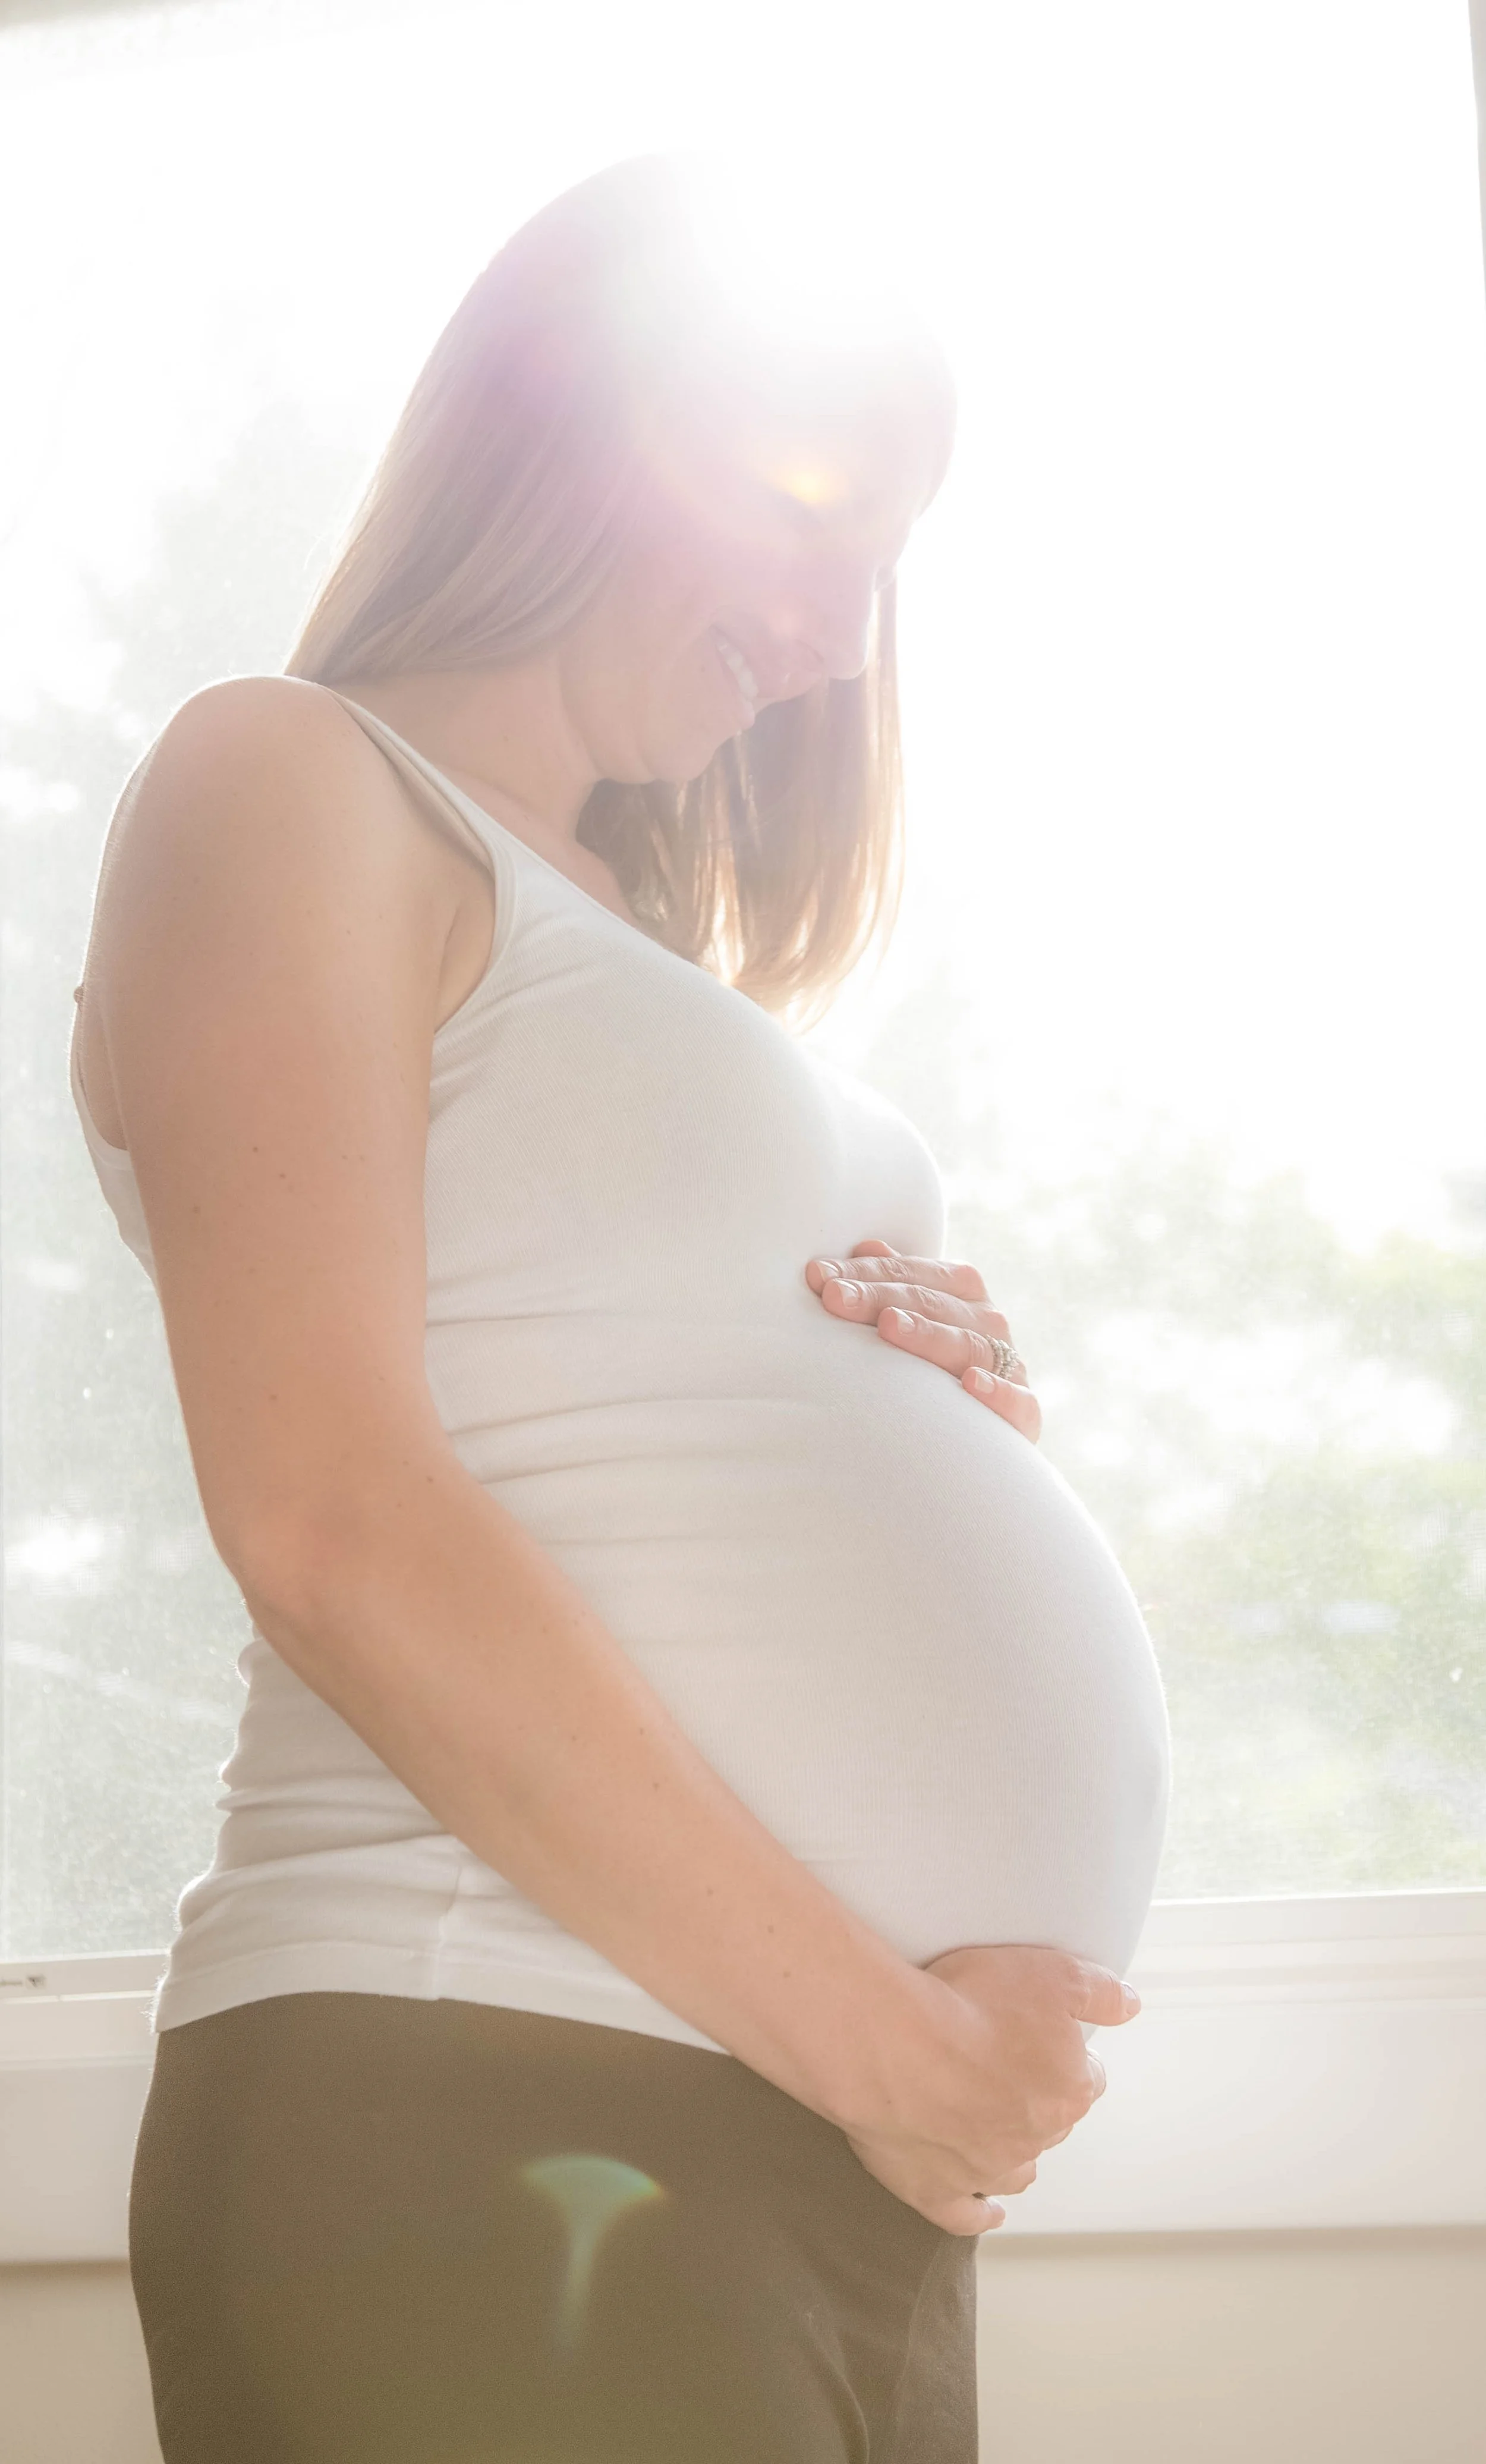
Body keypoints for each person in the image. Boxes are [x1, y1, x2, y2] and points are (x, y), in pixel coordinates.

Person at [69, 154, 1170, 2463]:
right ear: (591, 426)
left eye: (885, 566)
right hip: (493, 2084)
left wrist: (941, 1439)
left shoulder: (641, 964)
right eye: (816, 520)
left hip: (795, 2143)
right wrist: (896, 2048)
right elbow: (328, 1512)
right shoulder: (291, 782)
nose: (843, 641)